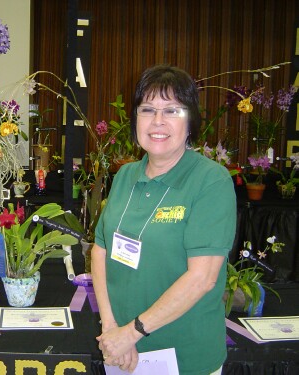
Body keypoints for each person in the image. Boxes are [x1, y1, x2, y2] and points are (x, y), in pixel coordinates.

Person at [92, 64, 236, 374]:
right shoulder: (125, 176)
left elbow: (202, 279)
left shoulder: (211, 182)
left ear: (191, 121)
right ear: (135, 119)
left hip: (184, 356)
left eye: (172, 110)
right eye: (147, 109)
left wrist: (130, 334)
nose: (158, 121)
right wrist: (111, 329)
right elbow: (101, 250)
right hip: (120, 351)